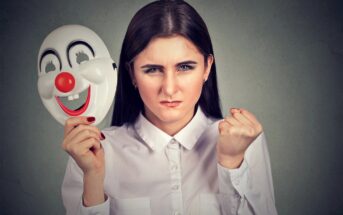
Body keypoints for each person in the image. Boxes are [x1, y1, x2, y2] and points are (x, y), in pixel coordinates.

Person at [61, 0, 278, 214]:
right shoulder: (93, 153)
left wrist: (232, 164)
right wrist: (94, 178)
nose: (169, 89)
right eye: (152, 69)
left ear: (206, 67)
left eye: (184, 67)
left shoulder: (244, 142)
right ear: (132, 74)